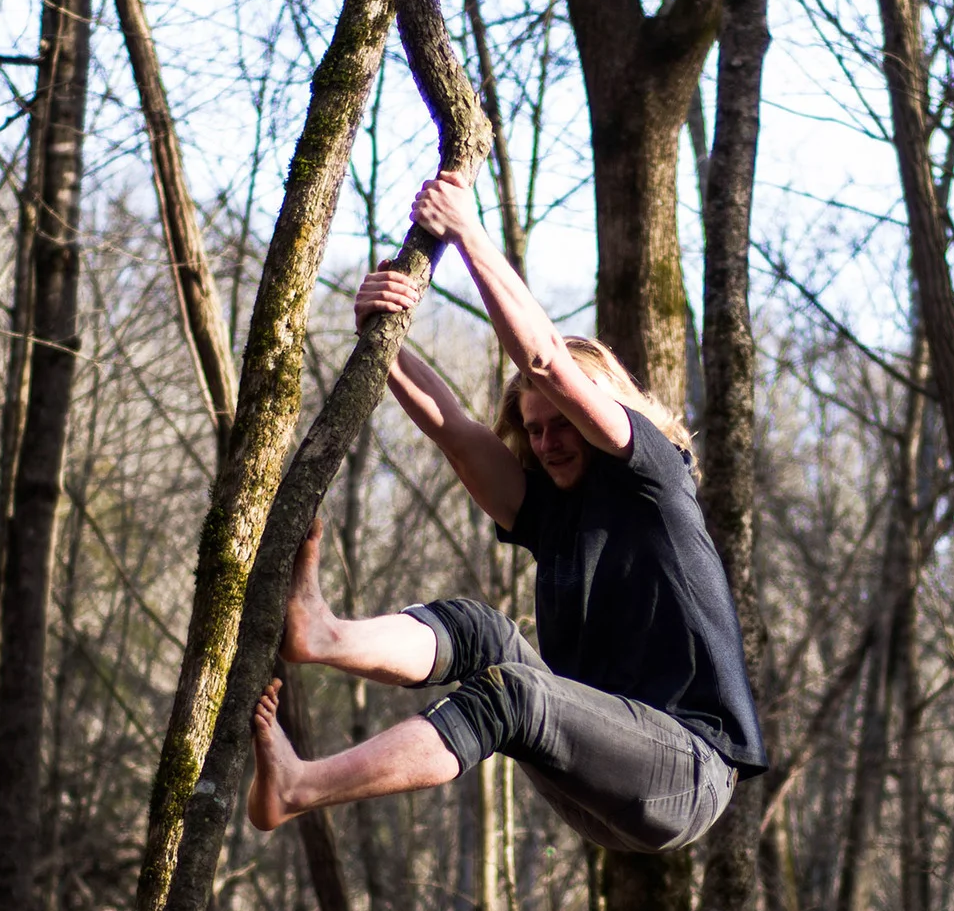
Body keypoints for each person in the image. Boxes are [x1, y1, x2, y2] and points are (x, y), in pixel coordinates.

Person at [247, 173, 764, 856]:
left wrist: (467, 231)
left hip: (688, 771)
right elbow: (456, 431)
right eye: (535, 430)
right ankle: (323, 636)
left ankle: (302, 786)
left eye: (560, 426)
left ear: (596, 408)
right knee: (481, 629)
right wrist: (383, 337)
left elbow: (546, 360)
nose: (546, 443)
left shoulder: (653, 476)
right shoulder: (553, 510)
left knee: (514, 693)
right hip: (599, 770)